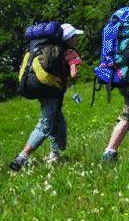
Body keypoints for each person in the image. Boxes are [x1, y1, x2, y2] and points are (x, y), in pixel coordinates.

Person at [10, 24, 84, 171]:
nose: (76, 39)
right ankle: (22, 157)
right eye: (74, 36)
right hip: (52, 92)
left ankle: (55, 155)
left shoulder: (45, 49)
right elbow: (74, 73)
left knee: (59, 122)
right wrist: (74, 66)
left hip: (42, 88)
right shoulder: (69, 52)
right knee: (45, 125)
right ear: (68, 39)